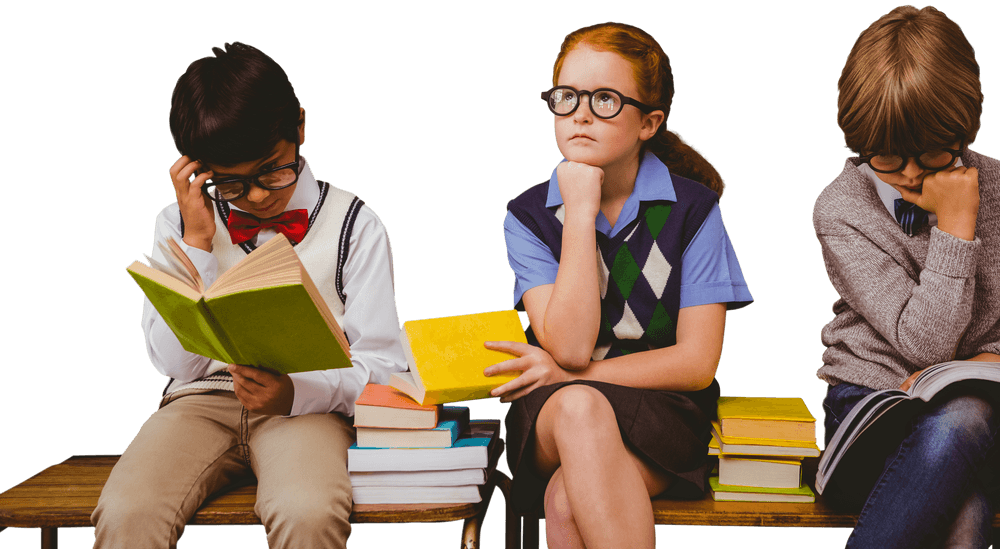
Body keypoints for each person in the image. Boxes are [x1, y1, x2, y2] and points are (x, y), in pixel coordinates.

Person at [91, 42, 408, 549]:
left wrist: (295, 392)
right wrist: (196, 244)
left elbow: (385, 368)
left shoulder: (356, 225)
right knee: (127, 510)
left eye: (272, 170)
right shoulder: (177, 223)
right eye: (231, 185)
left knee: (307, 510)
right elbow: (174, 363)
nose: (258, 196)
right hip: (199, 403)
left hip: (308, 409)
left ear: (300, 125)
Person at [813, 6, 1000, 548]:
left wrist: (992, 361)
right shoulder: (841, 209)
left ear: (964, 129)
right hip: (871, 409)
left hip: (982, 420)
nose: (911, 174)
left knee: (966, 414)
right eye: (887, 158)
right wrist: (956, 228)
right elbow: (924, 344)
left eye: (932, 153)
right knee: (965, 502)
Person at [483, 22, 753, 548]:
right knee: (580, 407)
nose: (580, 114)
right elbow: (569, 345)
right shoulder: (527, 216)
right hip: (553, 411)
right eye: (567, 96)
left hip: (663, 412)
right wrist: (580, 212)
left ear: (649, 122)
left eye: (605, 99)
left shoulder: (694, 211)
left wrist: (573, 374)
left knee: (566, 501)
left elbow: (696, 363)